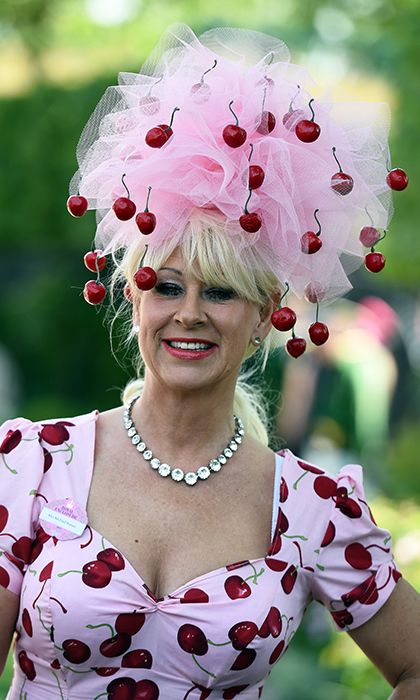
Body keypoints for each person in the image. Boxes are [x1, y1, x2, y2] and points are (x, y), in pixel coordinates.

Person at [1, 23, 419, 700]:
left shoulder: (310, 508)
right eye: (166, 286)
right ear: (135, 302)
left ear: (261, 318)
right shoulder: (30, 466)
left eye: (219, 291)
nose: (188, 311)